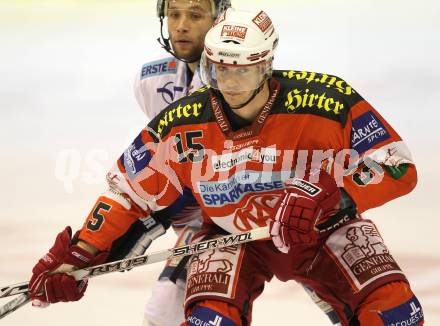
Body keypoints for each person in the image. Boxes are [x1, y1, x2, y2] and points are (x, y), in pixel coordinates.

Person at [27, 7, 424, 326]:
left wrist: (333, 198)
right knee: (208, 322)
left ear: (267, 65)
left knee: (396, 314)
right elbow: (129, 195)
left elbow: (398, 167)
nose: (230, 84)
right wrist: (81, 253)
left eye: (243, 70)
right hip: (231, 236)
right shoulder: (181, 122)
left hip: (324, 230)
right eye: (219, 70)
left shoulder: (328, 101)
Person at [131, 0, 339, 324]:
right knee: (163, 313)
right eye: (174, 14)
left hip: (288, 208)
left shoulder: (245, 83)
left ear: (219, 21)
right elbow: (172, 176)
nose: (182, 25)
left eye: (196, 14)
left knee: (353, 301)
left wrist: (140, 229)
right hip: (214, 216)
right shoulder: (151, 83)